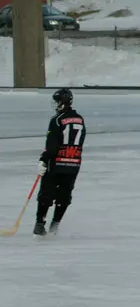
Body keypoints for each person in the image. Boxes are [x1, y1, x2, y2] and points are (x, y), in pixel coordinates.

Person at [34, 88, 86, 236]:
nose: (56, 104)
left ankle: (40, 223)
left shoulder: (57, 120)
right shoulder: (80, 119)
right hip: (73, 163)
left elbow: (52, 145)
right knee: (64, 195)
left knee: (46, 193)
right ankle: (55, 225)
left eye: (57, 101)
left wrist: (44, 159)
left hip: (56, 163)